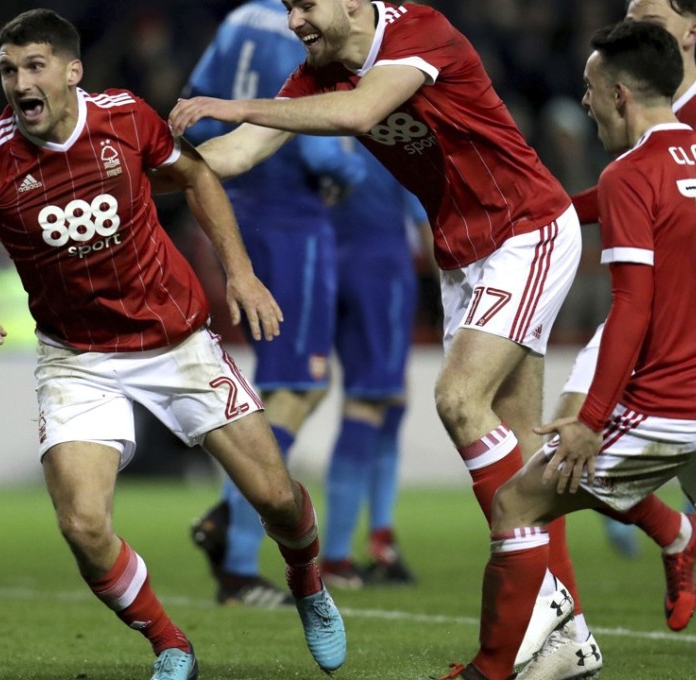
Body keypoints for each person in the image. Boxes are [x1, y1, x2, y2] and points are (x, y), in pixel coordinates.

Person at [0, 9, 347, 680]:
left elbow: (198, 175)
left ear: (71, 72)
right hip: (78, 359)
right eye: (8, 70)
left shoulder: (123, 118)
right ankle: (171, 644)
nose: (20, 82)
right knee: (83, 525)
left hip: (177, 343)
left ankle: (309, 586)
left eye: (34, 66)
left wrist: (242, 274)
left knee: (278, 499)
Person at [169, 0, 597, 672]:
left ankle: (516, 637)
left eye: (305, 4)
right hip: (463, 256)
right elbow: (240, 152)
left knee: (458, 401)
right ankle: (566, 637)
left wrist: (237, 103)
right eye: (286, 8)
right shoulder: (321, 67)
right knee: (522, 454)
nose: (294, 21)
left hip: (526, 229)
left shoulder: (417, 29)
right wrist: (142, 169)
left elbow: (359, 114)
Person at [440, 19, 696, 680]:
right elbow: (603, 208)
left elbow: (633, 307)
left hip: (669, 409)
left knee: (517, 502)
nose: (583, 101)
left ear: (619, 96)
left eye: (590, 87)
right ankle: (676, 534)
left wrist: (590, 420)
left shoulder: (630, 173)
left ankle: (492, 672)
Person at [181, 0, 367, 608]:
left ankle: (226, 516)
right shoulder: (317, 30)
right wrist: (349, 170)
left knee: (291, 384)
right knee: (296, 385)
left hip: (236, 206)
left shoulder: (238, 20)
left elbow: (196, 107)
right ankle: (237, 557)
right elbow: (316, 144)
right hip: (294, 219)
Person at [555, 0, 696, 621]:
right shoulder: (662, 124)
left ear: (690, 31)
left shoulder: (664, 121)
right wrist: (549, 212)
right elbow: (625, 190)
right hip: (654, 326)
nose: (636, 23)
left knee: (553, 470)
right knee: (563, 442)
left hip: (664, 333)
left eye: (652, 16)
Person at [319, 138, 431, 588]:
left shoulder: (316, 125)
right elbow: (424, 218)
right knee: (371, 398)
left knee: (392, 394)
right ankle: (338, 557)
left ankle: (381, 539)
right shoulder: (394, 135)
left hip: (330, 262)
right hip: (380, 269)